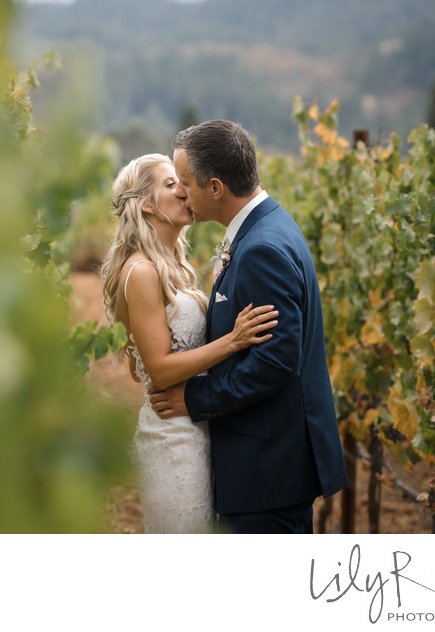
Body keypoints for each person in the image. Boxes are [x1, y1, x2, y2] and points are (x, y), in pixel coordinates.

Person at [149, 120, 349, 534]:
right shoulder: (268, 228)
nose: (181, 191)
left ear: (216, 187)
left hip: (266, 470)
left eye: (185, 181)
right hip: (273, 466)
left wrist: (195, 399)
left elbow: (275, 362)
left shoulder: (261, 250)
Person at [100, 153, 279, 533]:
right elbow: (158, 370)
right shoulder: (143, 271)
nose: (183, 192)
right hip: (172, 439)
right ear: (145, 203)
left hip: (193, 426)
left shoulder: (172, 267)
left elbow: (140, 363)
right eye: (170, 184)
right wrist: (234, 341)